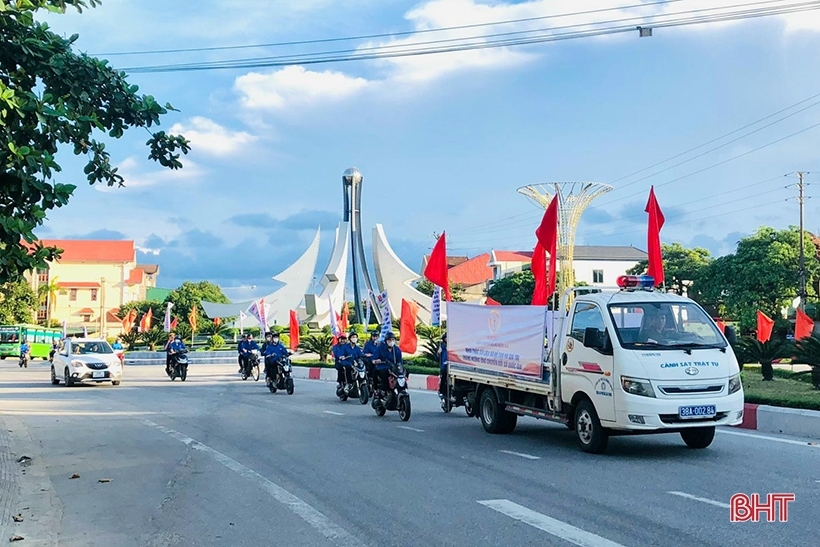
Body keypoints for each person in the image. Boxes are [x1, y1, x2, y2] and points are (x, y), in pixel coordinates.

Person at [373, 331, 402, 396]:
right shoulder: (380, 348)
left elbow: (400, 361)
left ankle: (401, 388)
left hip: (393, 368)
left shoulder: (397, 349)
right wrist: (376, 361)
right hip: (383, 367)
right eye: (389, 340)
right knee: (385, 374)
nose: (391, 341)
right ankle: (386, 390)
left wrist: (400, 366)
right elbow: (374, 359)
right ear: (386, 341)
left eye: (392, 339)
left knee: (404, 373)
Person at [437, 332, 448, 399]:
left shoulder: (453, 347)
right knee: (444, 373)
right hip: (444, 366)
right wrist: (439, 353)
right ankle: (442, 391)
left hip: (451, 365)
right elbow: (437, 358)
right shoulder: (442, 347)